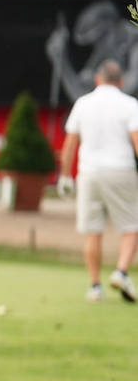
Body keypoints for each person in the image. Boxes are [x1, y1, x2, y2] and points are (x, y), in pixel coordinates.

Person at [57, 59, 138, 302]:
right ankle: (121, 271)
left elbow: (70, 143)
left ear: (97, 79)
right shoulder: (129, 104)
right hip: (120, 171)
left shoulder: (83, 103)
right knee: (132, 226)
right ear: (121, 82)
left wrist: (64, 176)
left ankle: (95, 286)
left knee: (92, 232)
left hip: (89, 173)